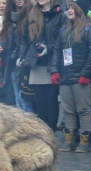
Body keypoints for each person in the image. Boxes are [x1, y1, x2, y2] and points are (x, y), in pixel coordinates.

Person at [50, 0, 91, 152]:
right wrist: (55, 71)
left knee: (83, 110)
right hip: (66, 77)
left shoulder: (90, 28)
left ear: (80, 10)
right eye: (68, 8)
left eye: (72, 8)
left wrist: (85, 74)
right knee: (69, 110)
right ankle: (69, 141)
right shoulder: (64, 28)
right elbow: (57, 51)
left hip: (82, 78)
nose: (68, 10)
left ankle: (85, 141)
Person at [17, 0, 67, 132]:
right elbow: (24, 39)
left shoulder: (60, 15)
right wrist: (22, 56)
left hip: (53, 63)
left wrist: (49, 48)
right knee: (39, 101)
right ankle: (43, 132)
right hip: (36, 62)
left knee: (51, 99)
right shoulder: (32, 14)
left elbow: (63, 39)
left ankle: (51, 132)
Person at [0, 0, 31, 109]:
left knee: (24, 97)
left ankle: (29, 124)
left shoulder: (31, 13)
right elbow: (5, 37)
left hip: (25, 60)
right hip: (12, 61)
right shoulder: (9, 16)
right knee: (17, 97)